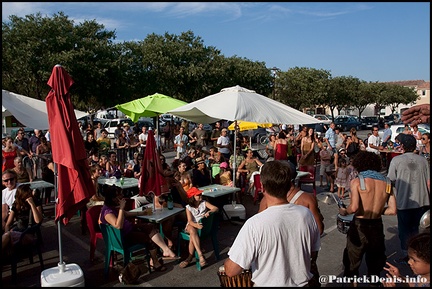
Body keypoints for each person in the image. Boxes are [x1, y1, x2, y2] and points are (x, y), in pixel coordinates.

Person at [224, 160, 321, 286]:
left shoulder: (254, 224)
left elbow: (231, 270)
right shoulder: (306, 214)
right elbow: (312, 251)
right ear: (288, 186)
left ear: (262, 187)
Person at [338, 150, 397, 286]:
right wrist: (377, 209)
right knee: (375, 263)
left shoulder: (357, 181)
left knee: (352, 262)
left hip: (360, 225)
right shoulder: (387, 183)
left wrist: (344, 211)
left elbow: (353, 208)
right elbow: (393, 210)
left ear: (360, 164)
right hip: (377, 224)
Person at [99, 185, 178, 272]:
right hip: (123, 237)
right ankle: (155, 262)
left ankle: (165, 249)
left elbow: (127, 214)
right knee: (148, 238)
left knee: (150, 226)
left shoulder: (114, 207)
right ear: (114, 198)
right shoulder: (107, 212)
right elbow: (118, 226)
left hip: (130, 228)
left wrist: (142, 213)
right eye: (120, 195)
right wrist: (121, 208)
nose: (122, 197)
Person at [386, 134, 430, 263]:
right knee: (419, 231)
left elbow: (390, 180)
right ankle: (421, 257)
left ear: (403, 146)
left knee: (405, 231)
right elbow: (428, 182)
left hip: (404, 202)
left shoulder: (396, 161)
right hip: (423, 201)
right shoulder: (423, 160)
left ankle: (408, 256)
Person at [178, 187, 219, 269]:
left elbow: (216, 208)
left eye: (200, 194)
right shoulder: (188, 207)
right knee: (192, 230)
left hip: (203, 227)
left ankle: (189, 258)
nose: (200, 196)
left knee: (192, 235)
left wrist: (210, 211)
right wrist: (196, 225)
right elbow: (190, 221)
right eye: (198, 195)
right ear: (192, 197)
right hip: (193, 225)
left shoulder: (204, 203)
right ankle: (200, 254)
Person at [2, 184, 43, 254]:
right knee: (7, 236)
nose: (28, 197)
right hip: (18, 230)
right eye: (26, 196)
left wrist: (32, 204)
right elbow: (8, 224)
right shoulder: (17, 204)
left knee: (7, 236)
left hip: (29, 233)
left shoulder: (35, 202)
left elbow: (38, 221)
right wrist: (7, 232)